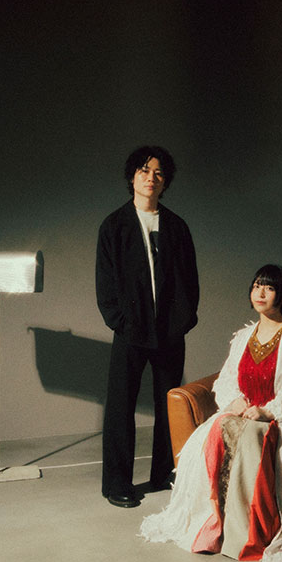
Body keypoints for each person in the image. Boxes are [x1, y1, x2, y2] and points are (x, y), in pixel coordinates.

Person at [140, 264, 282, 562]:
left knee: (252, 436)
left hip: (279, 419)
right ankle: (214, 528)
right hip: (243, 413)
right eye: (256, 286)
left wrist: (265, 411)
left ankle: (248, 536)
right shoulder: (243, 336)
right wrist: (235, 402)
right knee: (216, 430)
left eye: (269, 288)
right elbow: (226, 379)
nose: (260, 293)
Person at [96, 146, 199, 508]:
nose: (150, 178)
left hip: (169, 331)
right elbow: (105, 284)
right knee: (120, 406)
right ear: (132, 176)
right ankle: (117, 483)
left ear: (165, 181)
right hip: (131, 331)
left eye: (158, 173)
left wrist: (183, 321)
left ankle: (164, 473)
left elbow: (190, 279)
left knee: (170, 405)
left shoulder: (177, 226)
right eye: (144, 170)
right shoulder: (114, 226)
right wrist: (122, 323)